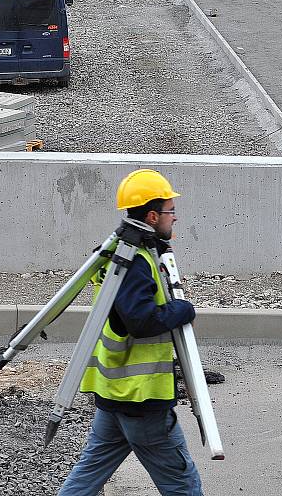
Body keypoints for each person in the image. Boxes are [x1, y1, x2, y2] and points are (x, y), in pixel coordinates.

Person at [58, 169, 203, 496]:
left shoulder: (117, 251)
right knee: (183, 484)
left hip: (114, 395)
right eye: (170, 210)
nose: (175, 217)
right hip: (141, 400)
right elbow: (139, 321)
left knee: (86, 477)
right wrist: (184, 309)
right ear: (152, 216)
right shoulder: (135, 260)